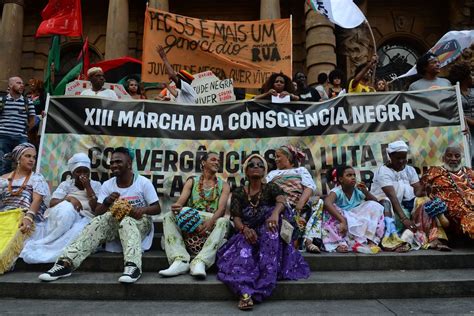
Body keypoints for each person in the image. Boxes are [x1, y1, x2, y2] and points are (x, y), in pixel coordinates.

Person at [39, 147, 161, 283]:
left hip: (139, 222)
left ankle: (133, 267)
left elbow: (157, 208)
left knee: (128, 221)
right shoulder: (108, 185)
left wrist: (142, 210)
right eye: (112, 162)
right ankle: (66, 263)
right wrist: (107, 201)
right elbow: (97, 212)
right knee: (98, 222)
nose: (114, 165)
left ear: (129, 164)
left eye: (119, 162)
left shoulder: (143, 182)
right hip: (116, 222)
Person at [216, 154, 310, 310]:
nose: (256, 166)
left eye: (260, 165)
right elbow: (236, 218)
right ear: (246, 171)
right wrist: (245, 229)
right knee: (238, 259)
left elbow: (281, 201)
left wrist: (274, 214)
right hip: (248, 231)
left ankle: (264, 279)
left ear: (264, 171)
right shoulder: (239, 192)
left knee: (273, 222)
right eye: (251, 164)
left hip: (268, 231)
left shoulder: (271, 187)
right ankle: (245, 292)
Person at [159, 152, 230, 279]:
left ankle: (200, 262)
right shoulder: (192, 181)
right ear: (203, 163)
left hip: (212, 219)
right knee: (169, 216)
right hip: (194, 220)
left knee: (223, 221)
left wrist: (211, 222)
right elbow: (180, 202)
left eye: (218, 161)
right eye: (213, 159)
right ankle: (180, 260)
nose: (217, 162)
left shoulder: (224, 185)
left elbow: (221, 209)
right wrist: (177, 208)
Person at [21, 153, 101, 263]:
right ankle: (49, 240)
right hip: (64, 218)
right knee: (66, 208)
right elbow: (52, 203)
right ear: (72, 173)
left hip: (84, 218)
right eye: (78, 171)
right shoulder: (66, 185)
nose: (82, 174)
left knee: (78, 230)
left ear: (89, 172)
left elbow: (95, 208)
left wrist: (88, 187)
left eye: (85, 171)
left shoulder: (96, 185)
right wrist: (69, 198)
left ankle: (52, 249)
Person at [0, 143, 50, 273]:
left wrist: (28, 217)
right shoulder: (3, 180)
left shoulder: (36, 178)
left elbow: (37, 199)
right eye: (27, 156)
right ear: (18, 158)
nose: (32, 159)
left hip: (26, 220)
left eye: (34, 157)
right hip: (4, 219)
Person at [370, 140, 424, 252]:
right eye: (398, 158)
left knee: (424, 201)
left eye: (403, 158)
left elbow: (417, 191)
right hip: (384, 206)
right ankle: (390, 240)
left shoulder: (410, 170)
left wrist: (424, 190)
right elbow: (391, 196)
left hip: (403, 205)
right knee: (386, 202)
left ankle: (433, 238)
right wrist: (404, 219)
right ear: (390, 156)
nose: (401, 161)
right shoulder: (383, 172)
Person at [265, 145, 321, 253]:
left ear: (288, 157)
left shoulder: (300, 170)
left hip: (298, 206)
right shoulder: (272, 174)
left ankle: (308, 241)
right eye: (275, 157)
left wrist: (300, 204)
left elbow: (309, 187)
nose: (276, 159)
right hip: (279, 206)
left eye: (278, 156)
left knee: (318, 202)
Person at [322, 165, 384, 253]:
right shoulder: (337, 191)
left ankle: (370, 240)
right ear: (341, 179)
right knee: (330, 210)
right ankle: (339, 243)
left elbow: (375, 202)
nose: (353, 178)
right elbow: (327, 203)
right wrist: (342, 220)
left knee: (374, 206)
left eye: (354, 175)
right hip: (342, 219)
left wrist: (365, 192)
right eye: (349, 175)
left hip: (354, 219)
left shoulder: (358, 190)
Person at [422, 146, 474, 240]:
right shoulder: (434, 172)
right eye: (449, 155)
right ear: (443, 158)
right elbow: (420, 190)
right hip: (455, 215)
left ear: (461, 158)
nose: (453, 159)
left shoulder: (470, 172)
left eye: (457, 156)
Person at [0, 77, 36, 175]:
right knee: (3, 163)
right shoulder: (2, 100)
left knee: (24, 163)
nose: (22, 85)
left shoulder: (27, 102)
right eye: (18, 83)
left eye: (22, 83)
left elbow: (32, 120)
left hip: (21, 137)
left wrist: (25, 131)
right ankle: (3, 186)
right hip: (3, 137)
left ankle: (19, 184)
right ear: (11, 85)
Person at [448, 62, 474, 165]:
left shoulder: (473, 91)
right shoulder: (453, 93)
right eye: (470, 75)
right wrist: (465, 120)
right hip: (464, 131)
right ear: (465, 78)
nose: (472, 77)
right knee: (467, 157)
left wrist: (466, 119)